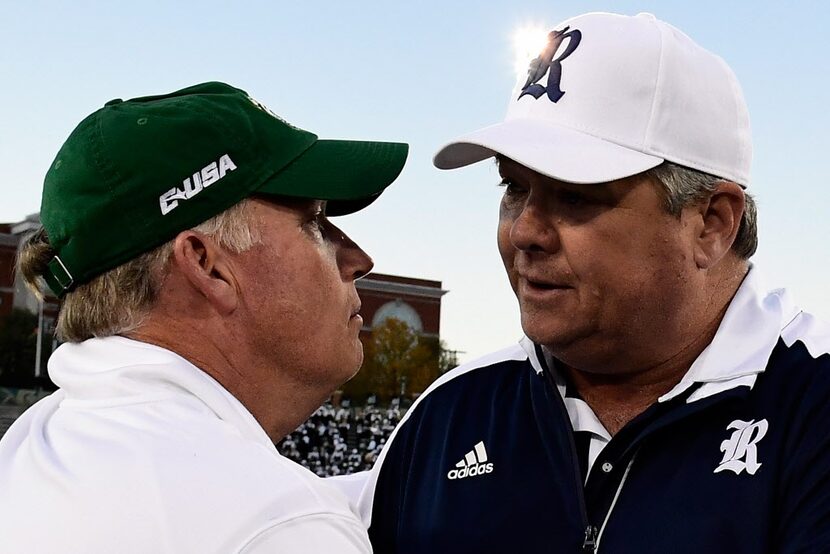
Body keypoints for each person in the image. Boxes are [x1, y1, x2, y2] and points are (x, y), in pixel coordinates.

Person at [349, 12, 830, 553]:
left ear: (712, 223)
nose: (525, 231)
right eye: (513, 188)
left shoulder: (811, 405)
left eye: (575, 196)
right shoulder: (448, 414)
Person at [0, 81, 407, 553]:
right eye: (313, 223)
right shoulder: (278, 523)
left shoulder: (28, 451)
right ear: (207, 265)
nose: (359, 258)